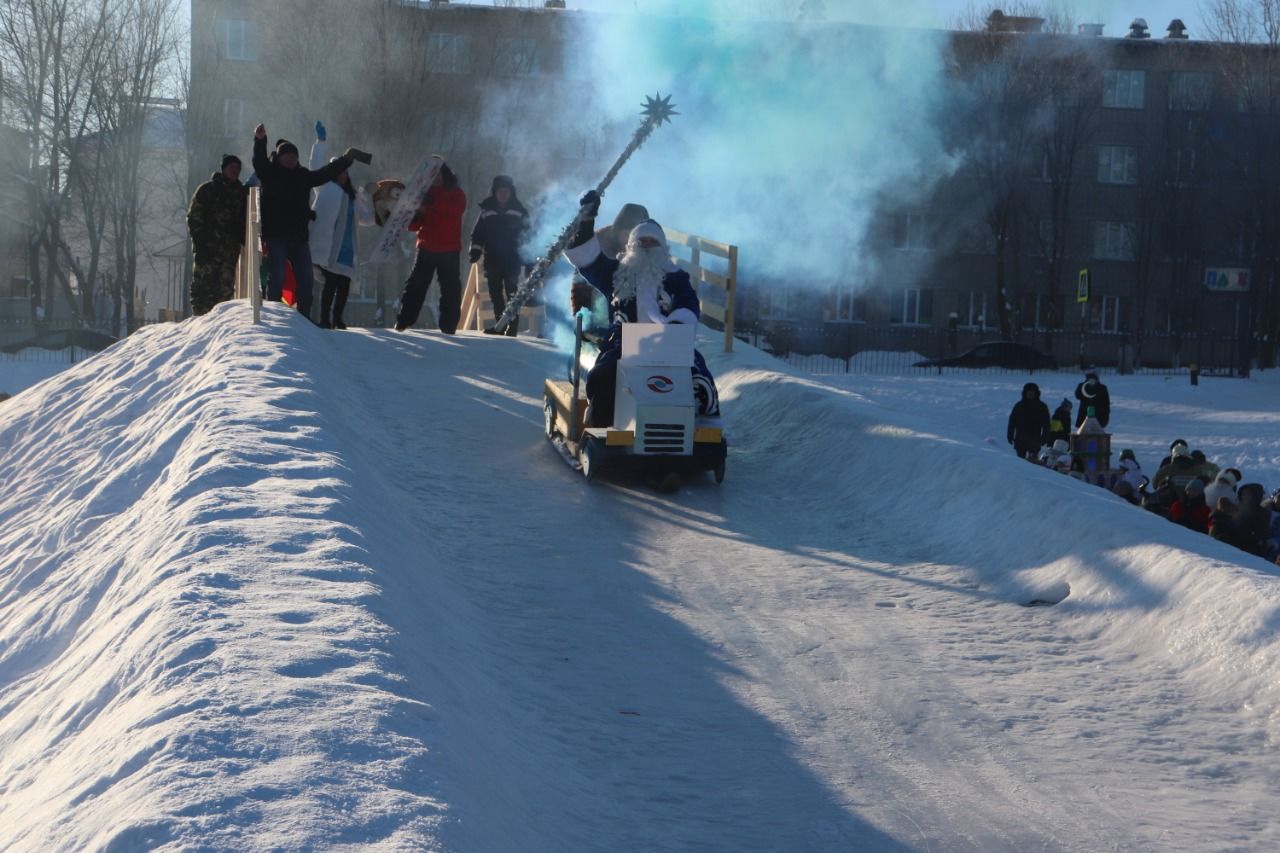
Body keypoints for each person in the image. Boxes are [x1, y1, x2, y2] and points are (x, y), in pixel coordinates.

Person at [564, 190, 719, 428]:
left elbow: (688, 304)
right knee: (603, 376)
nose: (646, 246)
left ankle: (699, 429)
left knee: (698, 376)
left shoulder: (676, 277)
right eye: (641, 241)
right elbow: (585, 256)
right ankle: (602, 424)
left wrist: (676, 327)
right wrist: (586, 219)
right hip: (625, 344)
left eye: (652, 242)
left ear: (662, 246)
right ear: (632, 245)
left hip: (669, 344)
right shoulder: (616, 273)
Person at [252, 123, 360, 319]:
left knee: (306, 280)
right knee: (277, 278)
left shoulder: (302, 176)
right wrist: (260, 141)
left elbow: (325, 173)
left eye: (295, 155)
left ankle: (304, 320)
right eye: (287, 155)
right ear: (280, 157)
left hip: (299, 237)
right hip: (276, 235)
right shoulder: (270, 173)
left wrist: (346, 160)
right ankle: (273, 318)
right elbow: (259, 162)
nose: (292, 158)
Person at [308, 122, 374, 329]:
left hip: (347, 248)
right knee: (330, 284)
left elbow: (366, 219)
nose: (343, 176)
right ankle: (325, 319)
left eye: (345, 173)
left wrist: (381, 209)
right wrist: (320, 142)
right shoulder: (326, 188)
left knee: (344, 285)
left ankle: (338, 318)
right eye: (340, 172)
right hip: (329, 246)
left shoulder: (353, 196)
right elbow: (316, 165)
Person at [394, 162, 467, 333]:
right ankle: (404, 320)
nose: (435, 179)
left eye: (438, 175)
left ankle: (448, 326)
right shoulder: (424, 194)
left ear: (445, 175)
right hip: (427, 246)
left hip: (449, 248)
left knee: (450, 290)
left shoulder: (457, 193)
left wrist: (433, 203)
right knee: (415, 286)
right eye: (432, 176)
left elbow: (456, 211)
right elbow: (415, 225)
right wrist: (411, 217)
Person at [469, 175, 531, 337]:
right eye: (500, 191)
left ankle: (512, 326)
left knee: (512, 292)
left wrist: (528, 257)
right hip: (492, 258)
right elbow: (478, 233)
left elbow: (529, 235)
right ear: (495, 193)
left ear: (511, 193)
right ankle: (499, 326)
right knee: (495, 293)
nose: (503, 194)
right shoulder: (486, 211)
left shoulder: (520, 211)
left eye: (506, 191)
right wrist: (475, 250)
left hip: (512, 258)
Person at [186, 154, 248, 315]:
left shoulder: (241, 194)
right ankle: (200, 319)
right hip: (207, 248)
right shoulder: (207, 190)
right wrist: (200, 242)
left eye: (238, 168)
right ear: (224, 169)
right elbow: (194, 217)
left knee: (225, 290)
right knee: (203, 287)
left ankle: (220, 321)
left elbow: (244, 219)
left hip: (229, 251)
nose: (235, 171)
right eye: (232, 167)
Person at [1006, 382, 1049, 461]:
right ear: (1025, 393)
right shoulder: (1019, 406)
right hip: (1020, 439)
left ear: (1036, 393)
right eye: (1028, 392)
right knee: (1020, 462)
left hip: (1035, 439)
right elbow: (1012, 422)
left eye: (1032, 392)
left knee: (1033, 462)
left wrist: (1045, 437)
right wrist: (1010, 434)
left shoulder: (1042, 407)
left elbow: (1046, 424)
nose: (1030, 394)